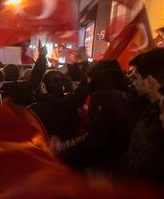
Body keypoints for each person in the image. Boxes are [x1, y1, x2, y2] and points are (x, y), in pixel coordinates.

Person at [53, 60, 143, 174]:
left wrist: (64, 150)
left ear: (98, 78)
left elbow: (95, 137)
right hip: (120, 166)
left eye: (89, 78)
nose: (88, 82)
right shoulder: (127, 96)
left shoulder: (102, 96)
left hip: (102, 166)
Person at [125, 48, 164, 182]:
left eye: (135, 77)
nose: (133, 82)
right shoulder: (147, 109)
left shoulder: (159, 118)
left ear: (149, 81)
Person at [28, 70, 87, 141]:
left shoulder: (33, 109)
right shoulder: (71, 102)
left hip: (44, 148)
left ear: (43, 86)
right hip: (67, 147)